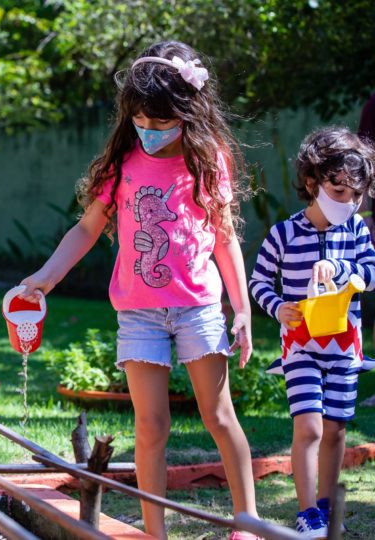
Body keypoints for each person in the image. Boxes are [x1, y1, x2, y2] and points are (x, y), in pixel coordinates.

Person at [20, 41, 259, 540]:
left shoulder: (208, 159)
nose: (148, 133)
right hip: (139, 314)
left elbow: (223, 235)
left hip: (198, 308)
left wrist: (241, 309)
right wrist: (46, 276)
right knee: (150, 428)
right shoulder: (122, 162)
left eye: (160, 124)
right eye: (141, 124)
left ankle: (248, 525)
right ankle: (156, 534)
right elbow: (86, 229)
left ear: (188, 113)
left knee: (218, 416)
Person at [249, 127, 375, 537]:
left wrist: (342, 271)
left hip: (344, 346)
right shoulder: (283, 234)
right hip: (300, 348)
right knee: (309, 427)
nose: (350, 204)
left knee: (336, 427)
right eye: (340, 193)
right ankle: (307, 512)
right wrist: (278, 307)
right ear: (312, 183)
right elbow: (259, 282)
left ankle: (324, 501)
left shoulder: (356, 232)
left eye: (357, 196)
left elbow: (371, 275)